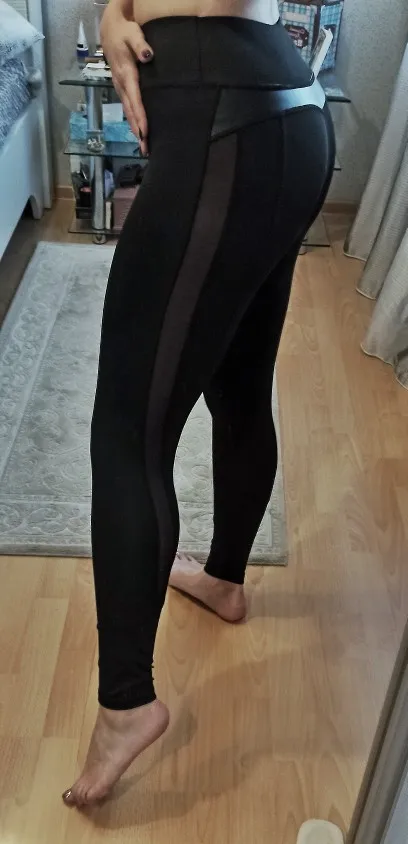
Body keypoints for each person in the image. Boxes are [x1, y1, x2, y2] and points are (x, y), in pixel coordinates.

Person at [62, 0, 335, 808]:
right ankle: (223, 580)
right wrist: (113, 13)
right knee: (240, 382)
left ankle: (126, 704)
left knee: (127, 432)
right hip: (288, 107)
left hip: (223, 116)